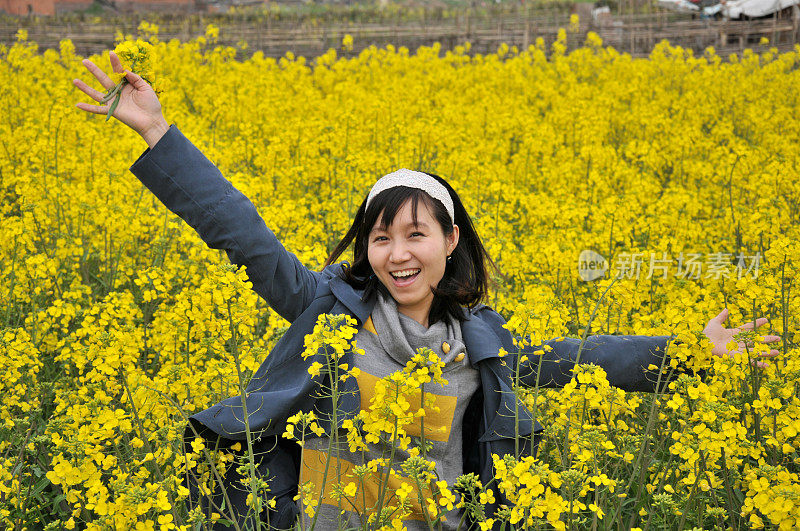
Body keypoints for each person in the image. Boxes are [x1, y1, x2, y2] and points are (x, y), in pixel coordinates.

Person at [74, 54, 781, 530]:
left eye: (416, 234)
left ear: (450, 241)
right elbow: (247, 238)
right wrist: (160, 133)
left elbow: (581, 358)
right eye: (380, 239)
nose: (397, 252)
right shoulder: (331, 312)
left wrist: (691, 350)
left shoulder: (478, 340)